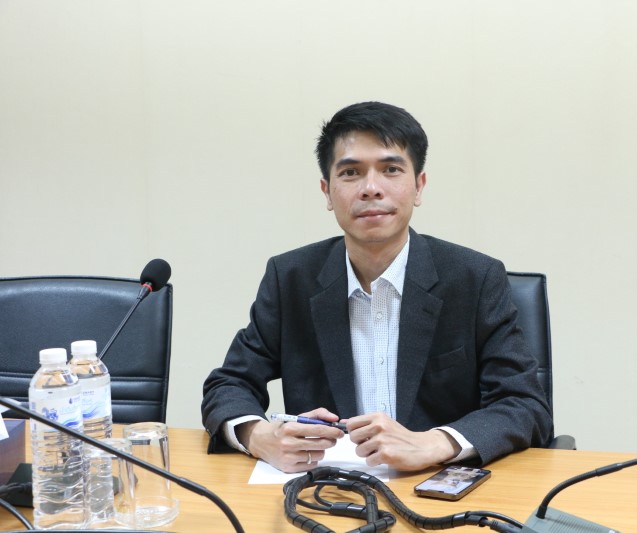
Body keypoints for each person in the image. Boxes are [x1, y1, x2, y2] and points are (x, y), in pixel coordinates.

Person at [201, 101, 553, 473]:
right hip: (326, 489)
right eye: (351, 172)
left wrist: (435, 442)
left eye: (391, 170)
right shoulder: (291, 278)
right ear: (327, 191)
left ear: (419, 186)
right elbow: (229, 384)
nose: (371, 188)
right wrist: (257, 435)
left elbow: (524, 404)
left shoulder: (474, 278)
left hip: (435, 486)